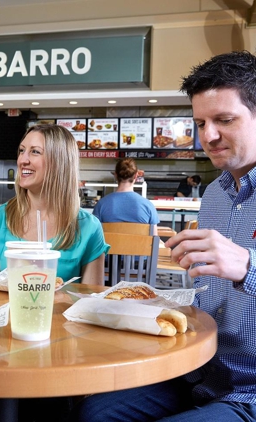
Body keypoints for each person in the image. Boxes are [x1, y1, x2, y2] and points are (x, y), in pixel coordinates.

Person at [68, 50, 256, 422]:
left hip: (249, 393)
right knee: (90, 410)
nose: (209, 135)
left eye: (224, 120)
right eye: (200, 123)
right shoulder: (215, 195)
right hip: (197, 369)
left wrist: (248, 265)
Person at [0, 123, 109, 285]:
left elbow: (90, 303)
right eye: (22, 150)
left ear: (59, 162)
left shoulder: (89, 228)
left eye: (35, 152)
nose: (22, 160)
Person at [93, 158, 159, 235]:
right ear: (136, 176)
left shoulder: (101, 204)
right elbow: (154, 241)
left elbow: (94, 237)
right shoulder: (148, 206)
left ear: (115, 175)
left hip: (111, 247)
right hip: (138, 247)